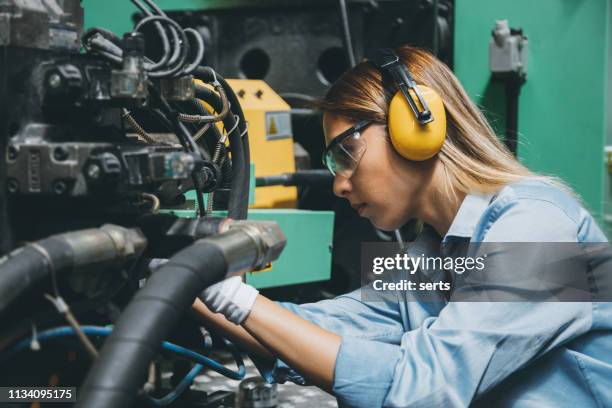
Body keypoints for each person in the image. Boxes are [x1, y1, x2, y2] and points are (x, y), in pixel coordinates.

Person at [192, 45, 612, 407]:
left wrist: (238, 301)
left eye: (346, 152)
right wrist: (191, 286)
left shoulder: (538, 226)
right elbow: (318, 329)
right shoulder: (430, 257)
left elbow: (426, 391)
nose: (339, 184)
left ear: (417, 123)